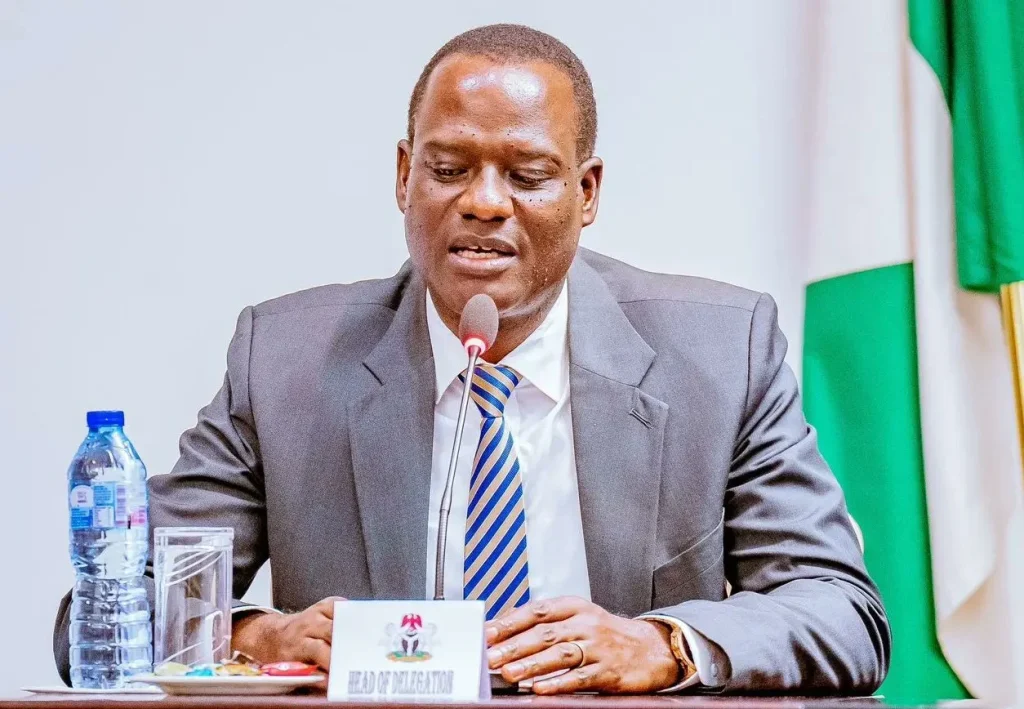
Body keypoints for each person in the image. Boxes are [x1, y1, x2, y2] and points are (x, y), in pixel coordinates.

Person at [54, 23, 890, 694]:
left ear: (587, 193)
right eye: (450, 168)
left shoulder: (720, 354)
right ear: (404, 175)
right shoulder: (284, 364)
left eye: (528, 174)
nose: (485, 202)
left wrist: (663, 644)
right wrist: (258, 637)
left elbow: (841, 612)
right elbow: (98, 614)